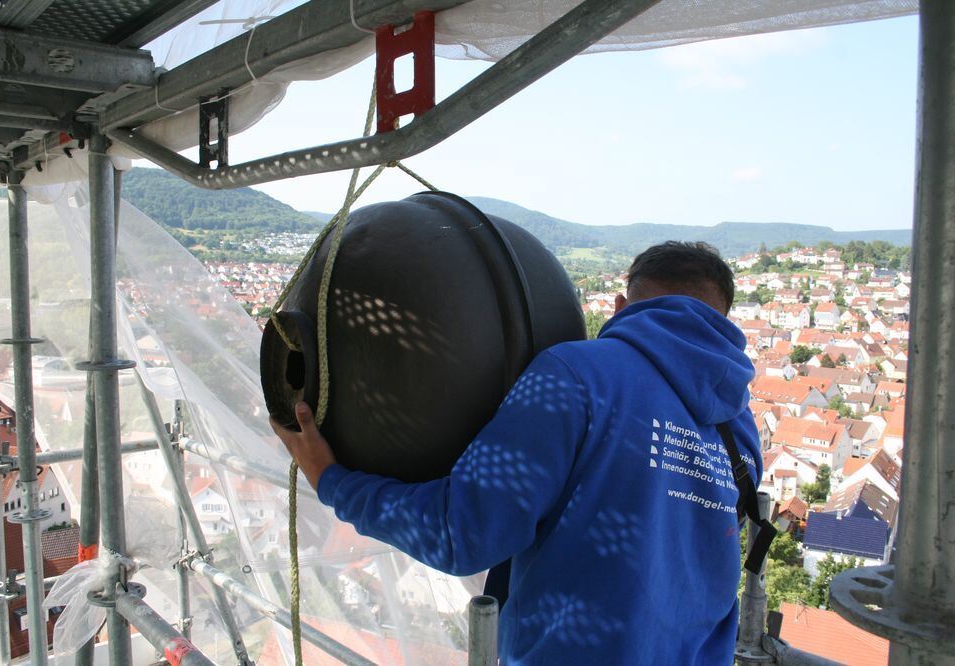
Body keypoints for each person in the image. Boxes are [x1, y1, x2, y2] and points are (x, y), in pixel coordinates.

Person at [271, 241, 762, 665]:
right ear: (719, 323)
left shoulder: (577, 376)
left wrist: (332, 479)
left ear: (618, 306)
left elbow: (461, 533)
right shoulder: (740, 427)